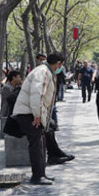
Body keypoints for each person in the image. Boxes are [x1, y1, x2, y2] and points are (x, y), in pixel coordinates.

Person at [12, 52, 64, 185]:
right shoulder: (43, 72)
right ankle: (37, 176)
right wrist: (37, 115)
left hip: (30, 112)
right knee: (37, 144)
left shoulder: (44, 71)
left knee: (40, 143)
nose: (60, 68)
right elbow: (37, 94)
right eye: (61, 64)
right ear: (58, 63)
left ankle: (41, 173)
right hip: (28, 113)